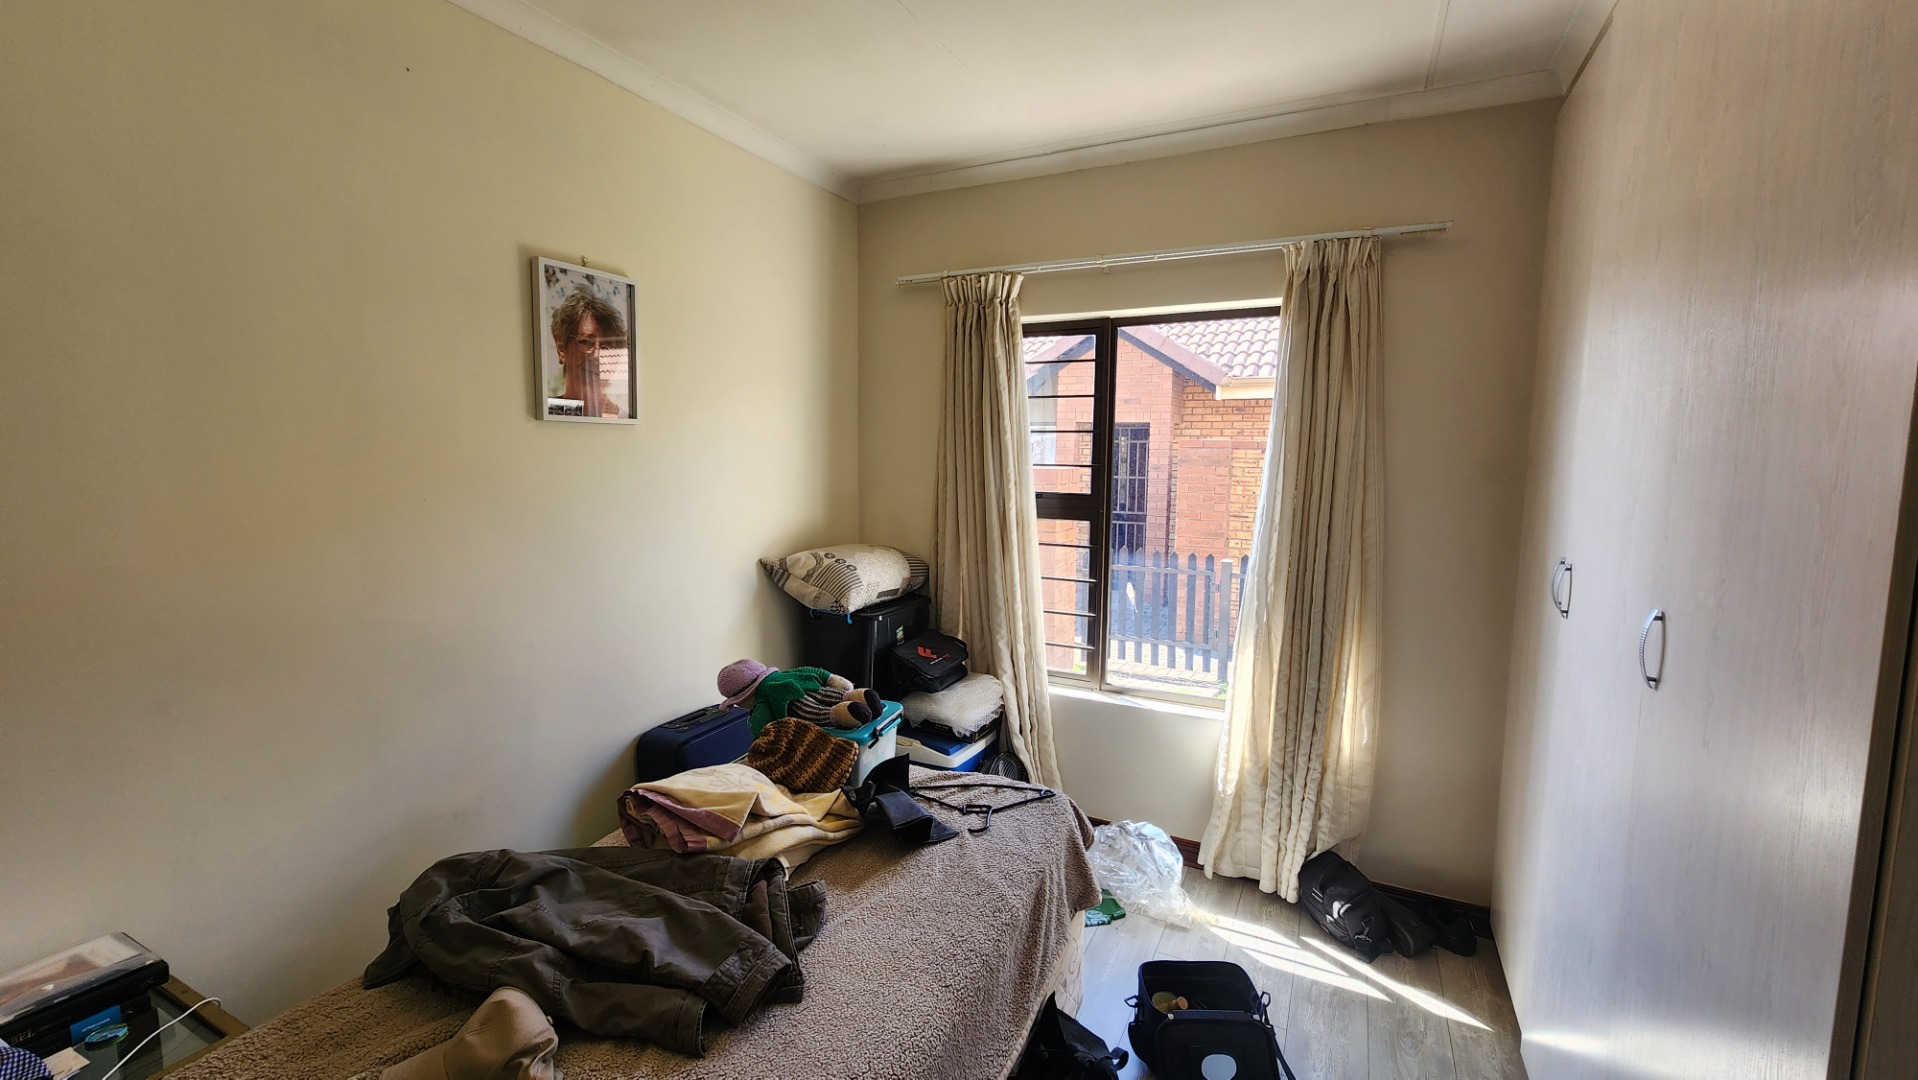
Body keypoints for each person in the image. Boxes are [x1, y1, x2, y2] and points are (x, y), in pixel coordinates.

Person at [548, 289, 626, 418]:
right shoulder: (546, 412)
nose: (596, 356)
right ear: (561, 347)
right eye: (585, 341)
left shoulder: (625, 419)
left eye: (606, 348)